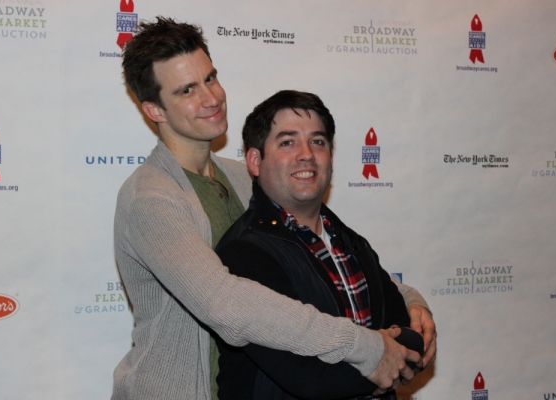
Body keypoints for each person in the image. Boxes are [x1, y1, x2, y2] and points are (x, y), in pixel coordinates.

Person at [113, 16, 436, 399]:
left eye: (211, 78)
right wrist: (365, 347)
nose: (212, 98)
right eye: (187, 90)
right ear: (155, 110)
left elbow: (327, 252)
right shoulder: (151, 198)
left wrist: (407, 298)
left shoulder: (242, 176)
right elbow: (226, 303)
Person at [214, 90, 430, 400]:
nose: (306, 154)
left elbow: (406, 338)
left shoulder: (350, 242)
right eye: (287, 142)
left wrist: (391, 354)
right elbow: (305, 375)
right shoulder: (243, 253)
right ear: (255, 160)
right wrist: (382, 357)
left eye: (318, 141)